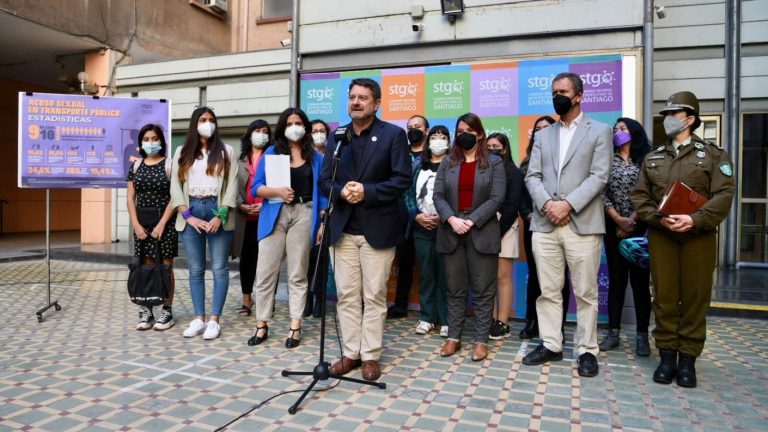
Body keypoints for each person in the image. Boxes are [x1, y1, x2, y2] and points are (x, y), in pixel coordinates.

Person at [631, 91, 735, 388]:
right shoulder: (653, 157)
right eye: (666, 115)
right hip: (663, 235)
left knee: (694, 297)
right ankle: (666, 357)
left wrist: (694, 219)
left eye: (674, 115)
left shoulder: (714, 155)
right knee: (663, 296)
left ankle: (687, 359)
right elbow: (640, 195)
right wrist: (657, 218)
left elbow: (724, 194)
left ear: (690, 119)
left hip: (698, 237)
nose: (668, 120)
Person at [318, 78, 411, 381]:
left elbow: (401, 179)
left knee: (374, 295)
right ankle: (350, 353)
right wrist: (343, 191)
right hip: (343, 229)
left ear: (376, 103)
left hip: (378, 229)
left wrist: (366, 191)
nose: (356, 102)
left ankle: (370, 355)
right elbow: (325, 180)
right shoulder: (338, 136)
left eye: (363, 98)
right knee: (346, 295)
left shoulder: (393, 135)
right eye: (352, 97)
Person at [522, 72, 613, 378]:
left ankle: (587, 350)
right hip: (546, 225)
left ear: (578, 96)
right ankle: (551, 344)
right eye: (553, 92)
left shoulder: (600, 131)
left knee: (586, 293)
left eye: (562, 91)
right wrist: (549, 205)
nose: (556, 96)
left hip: (582, 224)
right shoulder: (544, 134)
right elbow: (532, 175)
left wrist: (568, 204)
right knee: (548, 290)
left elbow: (599, 176)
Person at [247, 107, 327, 349]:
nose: (295, 127)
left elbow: (323, 194)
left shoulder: (316, 157)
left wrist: (322, 221)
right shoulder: (272, 153)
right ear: (283, 127)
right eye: (290, 123)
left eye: (299, 123)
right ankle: (261, 324)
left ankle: (295, 325)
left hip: (304, 213)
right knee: (265, 273)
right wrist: (277, 192)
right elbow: (255, 188)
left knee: (297, 273)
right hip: (275, 213)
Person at [434, 113, 506, 362]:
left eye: (468, 130)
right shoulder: (447, 162)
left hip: (481, 230)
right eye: (459, 130)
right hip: (451, 229)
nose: (463, 134)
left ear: (479, 134)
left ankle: (480, 340)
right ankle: (453, 337)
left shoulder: (494, 162)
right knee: (454, 289)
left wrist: (471, 220)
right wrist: (452, 219)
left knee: (484, 290)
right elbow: (438, 196)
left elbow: (497, 198)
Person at [171, 107, 238, 340]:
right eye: (202, 120)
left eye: (211, 120)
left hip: (216, 209)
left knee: (219, 268)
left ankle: (214, 320)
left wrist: (221, 215)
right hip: (190, 210)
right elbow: (175, 187)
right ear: (194, 123)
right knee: (195, 269)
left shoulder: (226, 151)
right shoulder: (182, 151)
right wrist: (187, 215)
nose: (207, 123)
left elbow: (232, 186)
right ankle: (199, 318)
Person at [598, 117, 652, 356]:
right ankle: (613, 332)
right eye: (616, 129)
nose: (618, 132)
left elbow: (652, 192)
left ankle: (642, 336)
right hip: (613, 228)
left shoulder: (647, 160)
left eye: (623, 129)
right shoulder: (607, 159)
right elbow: (600, 192)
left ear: (634, 132)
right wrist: (618, 219)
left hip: (641, 230)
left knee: (640, 285)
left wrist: (632, 219)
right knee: (617, 284)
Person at [517, 116, 572, 340]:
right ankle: (532, 322)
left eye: (546, 128)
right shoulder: (525, 164)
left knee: (561, 278)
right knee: (536, 276)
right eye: (537, 129)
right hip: (534, 225)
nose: (541, 132)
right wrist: (527, 214)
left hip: (563, 224)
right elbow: (520, 196)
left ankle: (557, 326)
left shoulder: (565, 158)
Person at [126, 124, 177, 331]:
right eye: (146, 139)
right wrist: (136, 225)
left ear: (161, 141)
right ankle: (146, 310)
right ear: (141, 143)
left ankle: (167, 310)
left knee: (166, 266)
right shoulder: (136, 166)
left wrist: (162, 225)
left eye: (154, 138)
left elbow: (175, 197)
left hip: (165, 225)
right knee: (145, 266)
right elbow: (130, 198)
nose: (150, 142)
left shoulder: (170, 165)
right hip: (142, 226)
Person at [406, 125, 451, 337]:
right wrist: (417, 216)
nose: (438, 140)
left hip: (447, 228)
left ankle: (446, 319)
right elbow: (406, 194)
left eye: (443, 137)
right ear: (428, 140)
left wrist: (446, 217)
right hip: (421, 228)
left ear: (449, 142)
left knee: (446, 274)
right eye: (434, 136)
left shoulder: (454, 165)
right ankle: (426, 317)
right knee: (426, 274)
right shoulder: (416, 165)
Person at [388, 114, 430, 319]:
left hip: (427, 219)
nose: (413, 130)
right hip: (401, 218)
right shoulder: (400, 153)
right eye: (410, 127)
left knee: (428, 266)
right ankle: (400, 305)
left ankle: (429, 311)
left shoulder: (433, 155)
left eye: (418, 126)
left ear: (427, 131)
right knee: (404, 263)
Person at [231, 119, 271, 317]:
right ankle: (247, 299)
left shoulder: (273, 157)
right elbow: (231, 187)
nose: (261, 134)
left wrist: (264, 205)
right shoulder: (239, 160)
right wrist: (242, 205)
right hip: (244, 218)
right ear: (249, 134)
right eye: (257, 130)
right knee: (247, 260)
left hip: (267, 216)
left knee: (266, 261)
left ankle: (266, 301)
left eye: (265, 131)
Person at [486, 132, 523, 340]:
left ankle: (502, 322)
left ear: (505, 149)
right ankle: (489, 319)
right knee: (487, 278)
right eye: (488, 146)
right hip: (485, 225)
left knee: (502, 276)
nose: (492, 149)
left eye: (496, 146)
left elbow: (512, 206)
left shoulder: (513, 172)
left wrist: (497, 232)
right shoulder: (484, 171)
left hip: (505, 226)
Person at [303, 118, 331, 318]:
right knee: (304, 261)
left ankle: (321, 301)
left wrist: (326, 208)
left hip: (327, 214)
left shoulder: (333, 156)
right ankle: (305, 302)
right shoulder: (304, 157)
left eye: (322, 131)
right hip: (306, 214)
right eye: (315, 130)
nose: (318, 134)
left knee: (322, 260)